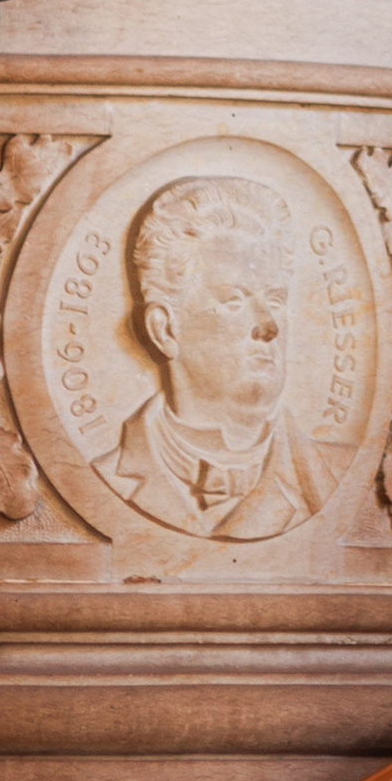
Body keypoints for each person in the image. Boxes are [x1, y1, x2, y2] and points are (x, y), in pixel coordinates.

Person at [94, 175, 334, 538]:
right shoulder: (104, 481)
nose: (269, 326)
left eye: (275, 301)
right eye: (233, 300)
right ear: (165, 330)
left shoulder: (337, 476)